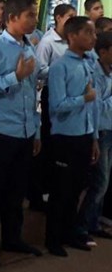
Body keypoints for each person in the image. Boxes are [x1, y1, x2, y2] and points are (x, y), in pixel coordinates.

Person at [0, 0, 44, 265]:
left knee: (16, 192)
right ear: (13, 18)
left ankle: (13, 238)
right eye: (30, 15)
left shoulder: (29, 47)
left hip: (24, 131)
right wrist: (15, 76)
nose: (35, 20)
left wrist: (35, 130)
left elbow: (33, 91)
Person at [46, 16, 100, 256]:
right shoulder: (60, 66)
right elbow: (57, 106)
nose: (94, 38)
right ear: (72, 36)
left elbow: (93, 106)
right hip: (65, 137)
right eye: (88, 33)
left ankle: (69, 233)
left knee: (77, 188)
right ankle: (53, 239)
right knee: (61, 190)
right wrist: (83, 98)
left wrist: (94, 137)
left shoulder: (89, 62)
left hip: (84, 134)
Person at [32, 3, 77, 211]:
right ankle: (41, 191)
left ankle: (54, 187)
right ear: (58, 18)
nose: (72, 20)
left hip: (68, 94)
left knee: (61, 144)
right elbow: (40, 70)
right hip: (51, 93)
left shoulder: (71, 40)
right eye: (69, 16)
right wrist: (62, 71)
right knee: (49, 142)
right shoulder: (48, 42)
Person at [77, 31, 112, 241]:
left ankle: (93, 221)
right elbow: (95, 106)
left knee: (104, 182)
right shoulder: (94, 73)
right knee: (100, 181)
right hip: (100, 131)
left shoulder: (109, 72)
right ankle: (81, 225)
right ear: (103, 52)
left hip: (110, 129)